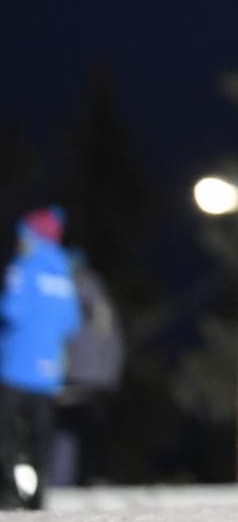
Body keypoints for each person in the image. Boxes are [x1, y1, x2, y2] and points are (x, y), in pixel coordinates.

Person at [0, 207, 82, 510]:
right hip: (48, 372)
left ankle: (8, 492)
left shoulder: (23, 267)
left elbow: (12, 310)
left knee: (6, 433)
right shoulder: (63, 271)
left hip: (14, 367)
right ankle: (37, 497)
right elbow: (72, 322)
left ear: (31, 237)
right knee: (41, 437)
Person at [50, 251, 124, 487]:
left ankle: (85, 481)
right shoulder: (62, 295)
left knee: (86, 435)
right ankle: (63, 482)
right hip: (71, 379)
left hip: (90, 381)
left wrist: (108, 375)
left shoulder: (94, 298)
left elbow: (111, 339)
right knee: (65, 433)